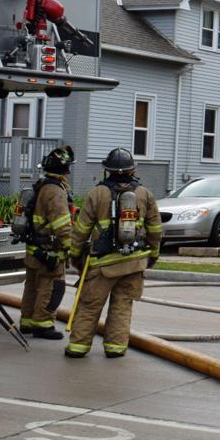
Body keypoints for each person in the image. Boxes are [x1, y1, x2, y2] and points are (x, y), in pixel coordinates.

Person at [65, 147, 162, 358]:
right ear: (132, 169)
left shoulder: (97, 193)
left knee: (89, 305)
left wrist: (74, 255)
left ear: (107, 170)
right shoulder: (144, 194)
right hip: (134, 263)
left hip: (102, 263)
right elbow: (155, 229)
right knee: (122, 305)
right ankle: (115, 348)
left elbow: (81, 229)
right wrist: (153, 255)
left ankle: (77, 347)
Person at [19, 145, 74, 339]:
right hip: (49, 251)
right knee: (49, 286)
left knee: (32, 285)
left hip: (34, 248)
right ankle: (42, 324)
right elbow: (62, 224)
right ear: (65, 169)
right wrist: (72, 247)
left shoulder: (41, 185)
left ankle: (27, 321)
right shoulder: (55, 191)